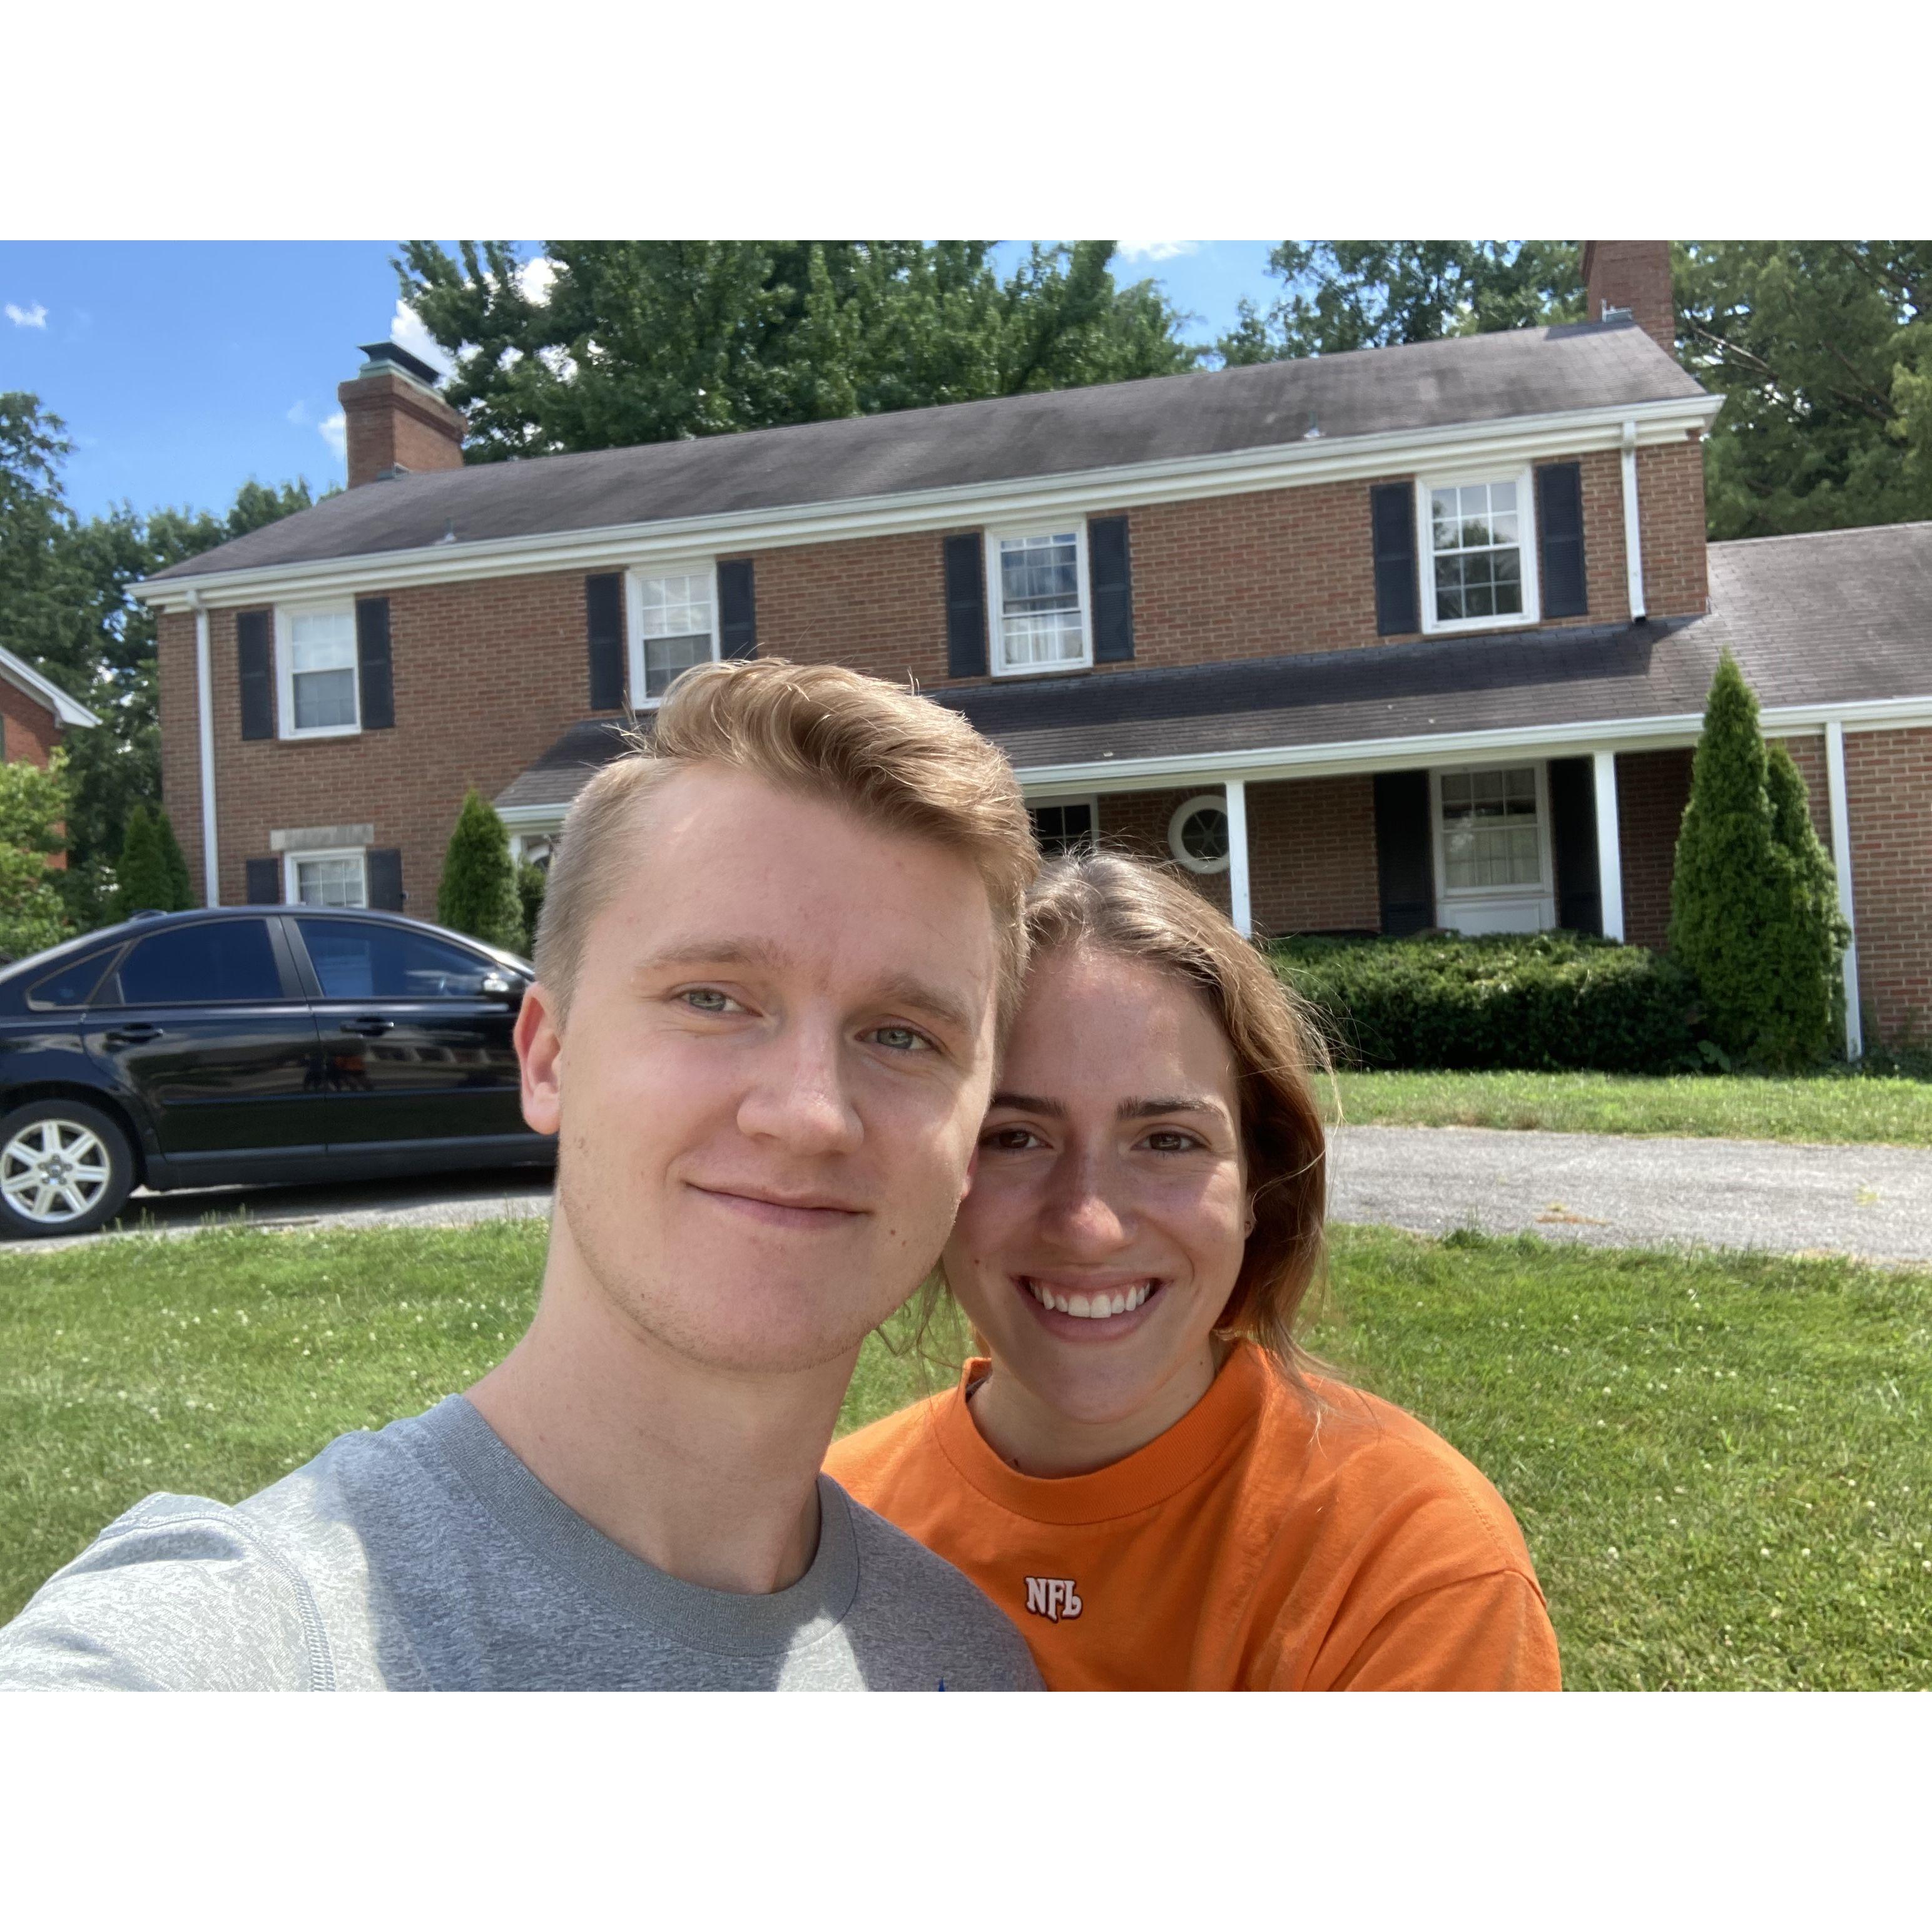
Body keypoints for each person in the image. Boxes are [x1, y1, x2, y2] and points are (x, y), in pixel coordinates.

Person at [0, 661, 1043, 1692]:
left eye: (903, 1035)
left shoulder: (966, 1665)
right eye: (713, 999)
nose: (811, 1112)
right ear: (546, 1057)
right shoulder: (248, 1635)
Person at [827, 850, 1562, 1690]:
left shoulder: (1411, 1557)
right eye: (1016, 1137)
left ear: (1259, 1182)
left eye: (1168, 1142)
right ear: (940, 1173)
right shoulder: (826, 1533)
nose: (1090, 1225)